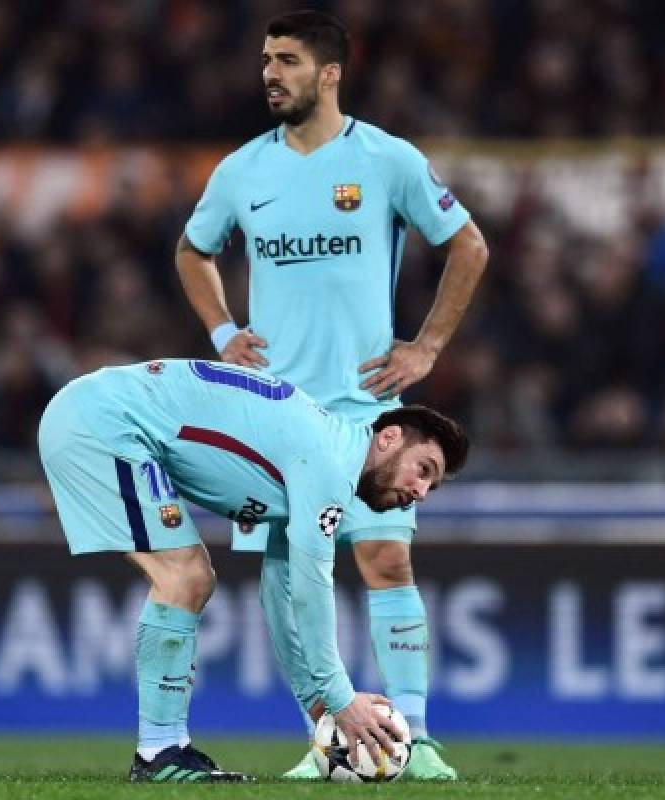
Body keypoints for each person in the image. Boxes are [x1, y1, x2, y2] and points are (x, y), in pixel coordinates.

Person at [175, 10, 488, 780]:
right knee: (285, 579)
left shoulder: (386, 160)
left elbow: (468, 245)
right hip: (271, 415)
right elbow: (192, 250)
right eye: (265, 60)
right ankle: (330, 739)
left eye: (286, 60)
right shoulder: (242, 170)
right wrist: (222, 334)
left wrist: (428, 347)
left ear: (330, 73)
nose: (270, 73)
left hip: (361, 410)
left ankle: (414, 740)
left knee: (384, 557)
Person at [37, 358, 469, 783]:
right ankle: (159, 753)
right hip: (102, 422)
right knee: (184, 577)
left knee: (190, 577)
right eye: (423, 470)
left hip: (100, 412)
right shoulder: (328, 465)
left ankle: (166, 750)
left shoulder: (321, 451)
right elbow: (310, 591)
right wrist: (341, 699)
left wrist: (317, 700)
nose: (422, 492)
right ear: (388, 437)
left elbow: (279, 594)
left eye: (432, 485)